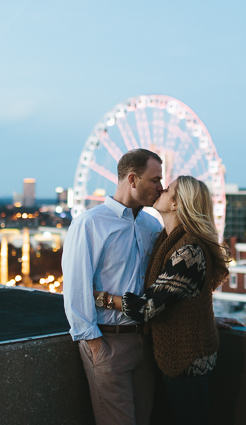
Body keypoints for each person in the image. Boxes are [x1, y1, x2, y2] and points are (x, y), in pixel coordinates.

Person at [93, 175, 235, 425]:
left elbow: (147, 307)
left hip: (188, 364)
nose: (160, 188)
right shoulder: (167, 241)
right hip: (174, 358)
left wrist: (99, 298)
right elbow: (184, 299)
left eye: (167, 188)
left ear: (176, 204)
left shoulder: (189, 251)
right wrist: (207, 319)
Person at [61, 148, 164, 425]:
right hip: (109, 342)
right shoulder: (89, 224)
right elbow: (75, 288)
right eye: (154, 180)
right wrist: (96, 347)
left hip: (146, 343)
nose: (161, 187)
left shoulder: (151, 225)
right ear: (132, 179)